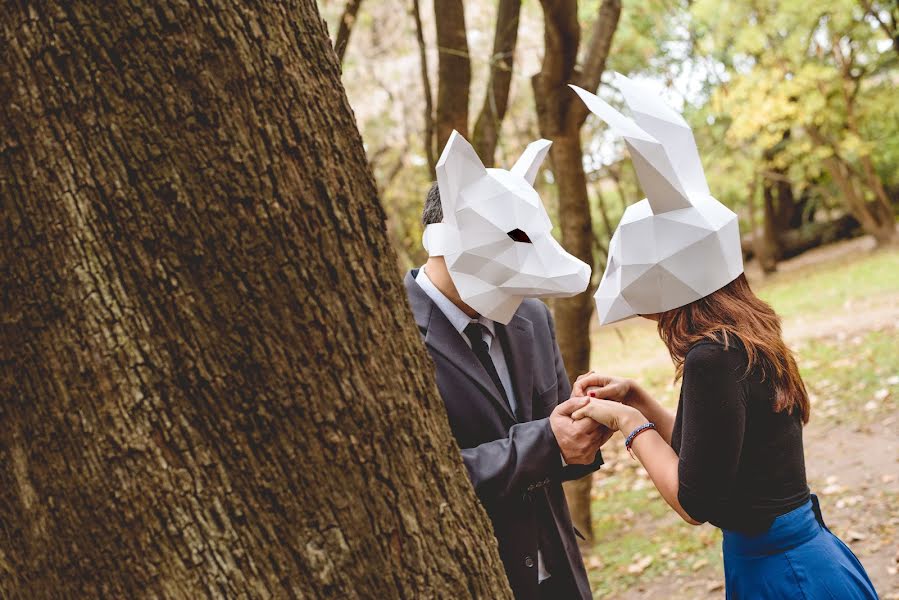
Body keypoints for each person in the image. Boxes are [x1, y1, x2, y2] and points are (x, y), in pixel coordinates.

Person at [567, 73, 878, 599]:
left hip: (785, 576)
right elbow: (712, 456)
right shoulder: (746, 333)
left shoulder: (714, 357)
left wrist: (627, 421)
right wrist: (640, 397)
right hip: (798, 556)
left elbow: (695, 501)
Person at [407, 129, 609, 599]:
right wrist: (547, 442)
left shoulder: (532, 317)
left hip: (558, 575)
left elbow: (559, 441)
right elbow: (422, 477)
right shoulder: (393, 335)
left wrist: (581, 429)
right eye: (518, 239)